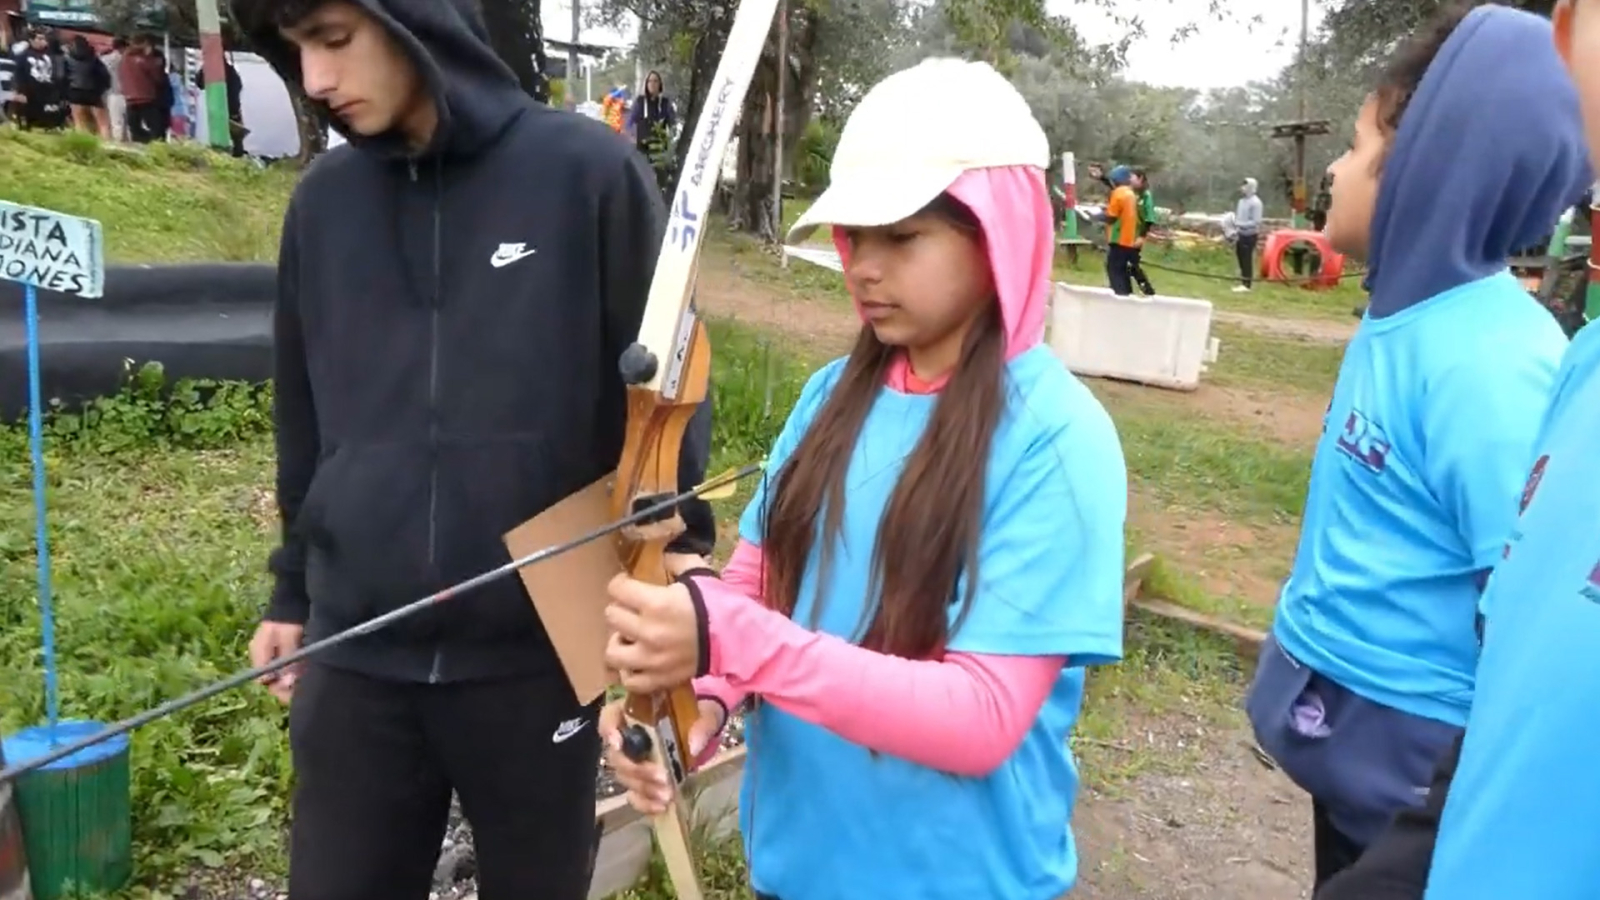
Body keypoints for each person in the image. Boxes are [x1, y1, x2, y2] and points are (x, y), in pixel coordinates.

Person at [597, 56, 1128, 900]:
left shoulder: (1059, 440)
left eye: (901, 237)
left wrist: (736, 642)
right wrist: (693, 698)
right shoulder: (829, 398)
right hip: (797, 869)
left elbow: (983, 717)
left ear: (998, 232)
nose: (863, 268)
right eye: (854, 236)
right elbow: (758, 584)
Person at [226, 0, 715, 898]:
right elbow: (305, 415)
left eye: (336, 41)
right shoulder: (322, 207)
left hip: (535, 658)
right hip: (358, 652)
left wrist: (676, 558)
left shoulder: (587, 174)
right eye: (299, 50)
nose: (316, 80)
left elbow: (666, 397)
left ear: (422, 22)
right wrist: (293, 585)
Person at [1243, 3, 1589, 892]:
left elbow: (1511, 601)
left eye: (1357, 147)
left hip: (1405, 775)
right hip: (1345, 740)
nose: (1336, 168)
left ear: (1431, 163)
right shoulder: (1400, 316)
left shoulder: (1490, 363)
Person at [628, 69, 676, 196]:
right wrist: (631, 137)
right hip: (642, 148)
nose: (652, 84)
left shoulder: (665, 103)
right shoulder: (640, 102)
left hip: (659, 150)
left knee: (660, 182)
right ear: (646, 84)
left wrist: (670, 140)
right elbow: (630, 123)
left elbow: (672, 124)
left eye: (655, 81)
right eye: (650, 81)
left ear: (660, 84)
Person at [1102, 164, 1141, 296]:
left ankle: (1120, 299)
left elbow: (1112, 217)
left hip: (1117, 238)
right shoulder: (1130, 194)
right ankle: (1127, 297)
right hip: (1128, 239)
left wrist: (1096, 216)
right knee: (1123, 272)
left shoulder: (1118, 193)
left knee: (1114, 271)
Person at [14, 28, 64, 131]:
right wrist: (20, 91)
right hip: (31, 91)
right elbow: (19, 74)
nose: (43, 41)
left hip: (50, 90)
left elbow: (57, 72)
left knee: (52, 116)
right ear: (31, 40)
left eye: (44, 39)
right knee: (31, 115)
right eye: (40, 38)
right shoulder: (23, 56)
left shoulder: (51, 54)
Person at [119, 34, 165, 143]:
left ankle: (141, 143)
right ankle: (154, 145)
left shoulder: (125, 57)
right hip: (147, 96)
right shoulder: (146, 59)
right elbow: (157, 77)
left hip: (130, 98)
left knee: (134, 127)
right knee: (156, 129)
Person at [63, 34, 110, 139]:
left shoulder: (68, 58)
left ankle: (83, 143)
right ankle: (107, 144)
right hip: (93, 92)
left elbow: (63, 75)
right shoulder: (93, 58)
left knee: (79, 122)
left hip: (75, 92)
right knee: (102, 123)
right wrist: (102, 88)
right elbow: (104, 75)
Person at [1127, 167, 1157, 296]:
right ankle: (1131, 289)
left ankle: (1147, 289)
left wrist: (1142, 236)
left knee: (1132, 263)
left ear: (1140, 179)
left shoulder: (1146, 196)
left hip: (1137, 234)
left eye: (1132, 177)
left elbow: (1149, 218)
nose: (1129, 179)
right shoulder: (1131, 193)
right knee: (1127, 263)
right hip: (1128, 233)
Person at [1231, 176, 1264, 291]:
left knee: (1247, 259)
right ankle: (1243, 281)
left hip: (1249, 235)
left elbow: (1256, 221)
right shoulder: (1241, 201)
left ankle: (1247, 284)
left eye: (1245, 185)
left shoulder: (1256, 203)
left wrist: (1240, 224)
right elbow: (1239, 216)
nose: (1243, 188)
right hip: (1240, 233)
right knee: (1240, 256)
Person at [102, 38, 127, 142]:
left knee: (116, 123)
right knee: (128, 124)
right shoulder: (129, 59)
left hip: (113, 93)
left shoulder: (105, 60)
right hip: (129, 93)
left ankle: (118, 145)